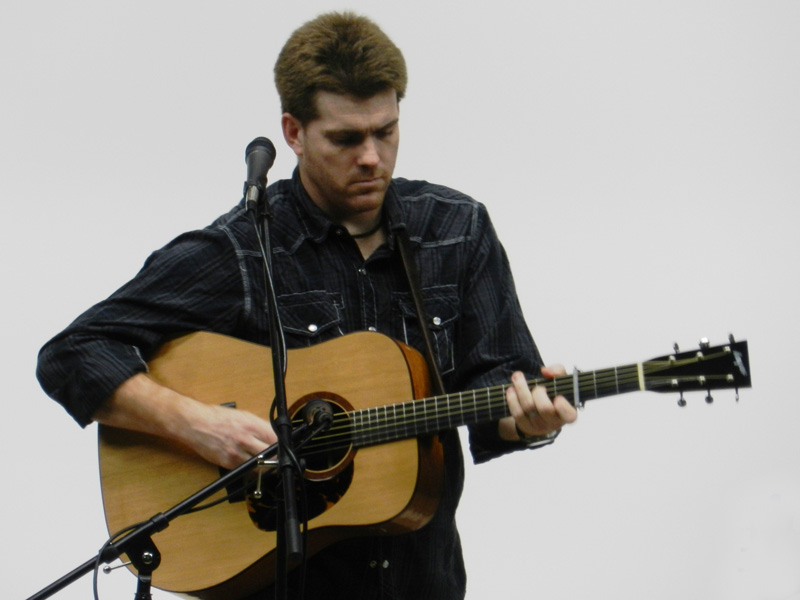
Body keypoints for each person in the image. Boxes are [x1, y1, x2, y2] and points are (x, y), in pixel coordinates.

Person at [36, 11, 577, 600]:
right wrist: (201, 426)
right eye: (346, 139)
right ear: (293, 133)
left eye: (386, 131)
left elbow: (497, 382)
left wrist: (527, 421)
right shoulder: (244, 248)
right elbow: (72, 354)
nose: (371, 157)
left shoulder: (456, 230)